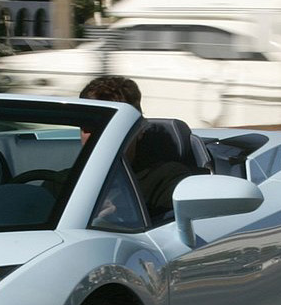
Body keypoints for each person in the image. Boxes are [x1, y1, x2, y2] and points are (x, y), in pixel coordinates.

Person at [78, 76, 205, 220]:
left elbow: (172, 234)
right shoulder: (62, 183)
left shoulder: (168, 180)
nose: (97, 136)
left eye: (110, 128)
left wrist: (117, 218)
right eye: (88, 127)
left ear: (139, 130)